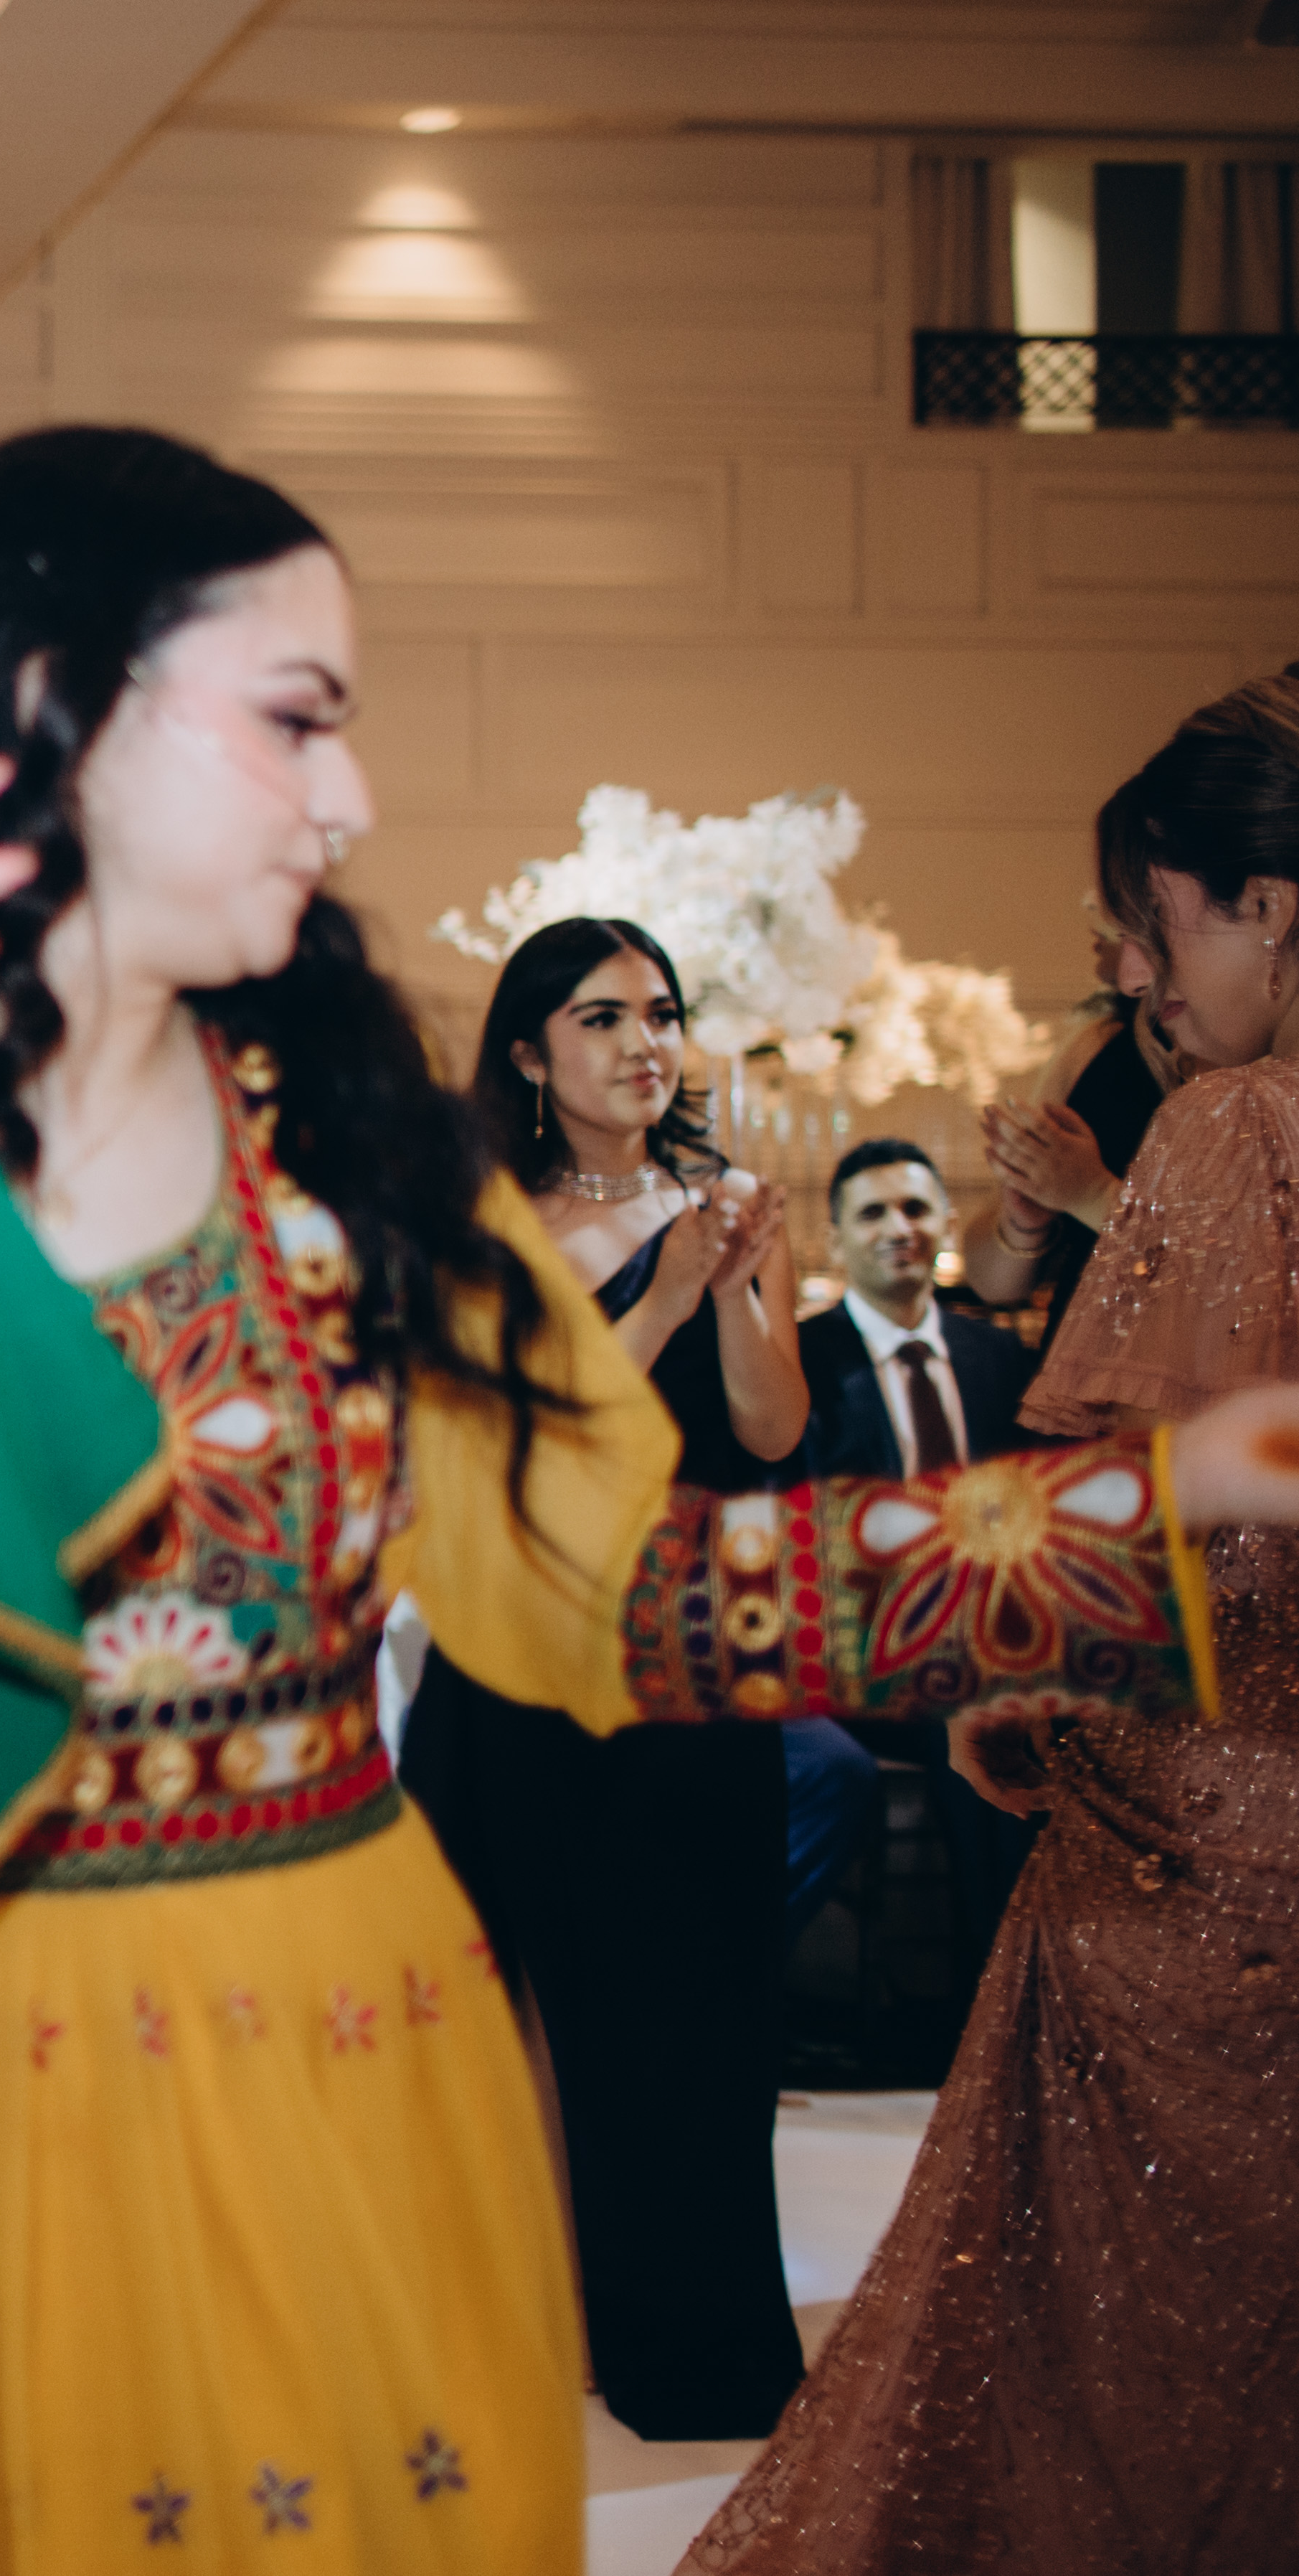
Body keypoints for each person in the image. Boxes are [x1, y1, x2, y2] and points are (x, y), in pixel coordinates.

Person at [0, 425, 1299, 2576]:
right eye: (295, 719)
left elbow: (626, 1588)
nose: (344, 797)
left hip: (307, 2034)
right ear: (67, 716)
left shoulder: (359, 1175)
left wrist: (1145, 1508)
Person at [687, 669, 1299, 2574]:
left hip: (1209, 1839)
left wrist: (1010, 1666)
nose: (1128, 973)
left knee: (1117, 2360)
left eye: (1149, 921)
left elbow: (1213, 1527)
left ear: (1267, 902)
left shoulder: (1235, 1124)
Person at [397, 914, 817, 2442]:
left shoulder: (723, 1207)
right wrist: (657, 1298)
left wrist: (733, 1284)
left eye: (660, 1013)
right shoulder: (475, 1225)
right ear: (526, 1052)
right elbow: (518, 1448)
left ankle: (695, 2347)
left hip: (683, 1656)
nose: (643, 1043)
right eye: (599, 1017)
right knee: (503, 2010)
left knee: (691, 2009)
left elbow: (769, 1430)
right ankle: (515, 2324)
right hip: (515, 1662)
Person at [790, 1137, 1046, 1975]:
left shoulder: (995, 1356)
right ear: (834, 1239)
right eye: (871, 1213)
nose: (896, 1227)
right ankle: (991, 1983)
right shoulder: (798, 1360)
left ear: (941, 1222)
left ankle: (1058, 1970)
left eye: (913, 1208)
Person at [962, 888, 1186, 1355]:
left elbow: (1222, 1273)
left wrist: (1091, 1194)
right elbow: (991, 1284)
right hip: (1081, 1356)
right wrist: (1024, 1223)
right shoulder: (1097, 1044)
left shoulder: (1256, 1061)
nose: (1090, 908)